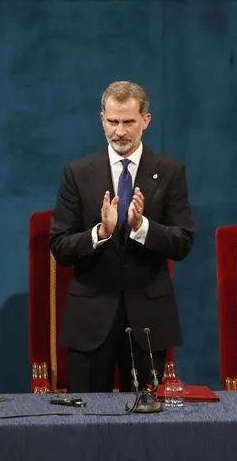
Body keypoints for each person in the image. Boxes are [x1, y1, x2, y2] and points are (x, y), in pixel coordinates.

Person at [49, 81, 195, 393]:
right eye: (113, 122)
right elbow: (60, 246)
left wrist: (142, 227)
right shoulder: (77, 173)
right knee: (87, 415)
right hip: (90, 320)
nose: (119, 132)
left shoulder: (169, 171)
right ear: (102, 119)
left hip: (148, 321)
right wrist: (101, 232)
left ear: (146, 120)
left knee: (146, 416)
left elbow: (183, 241)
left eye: (128, 122)